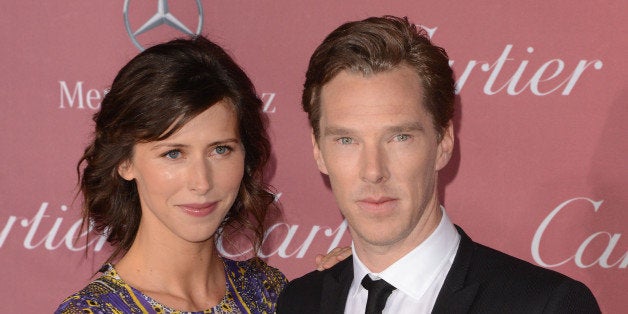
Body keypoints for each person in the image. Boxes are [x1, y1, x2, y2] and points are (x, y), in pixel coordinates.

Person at [277, 16, 600, 313]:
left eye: (399, 137)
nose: (373, 171)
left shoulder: (545, 305)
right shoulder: (299, 302)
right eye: (347, 140)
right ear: (318, 150)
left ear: (444, 141)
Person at [55, 36, 288, 313]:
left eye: (221, 150)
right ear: (125, 162)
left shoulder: (270, 292)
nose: (202, 182)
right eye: (174, 153)